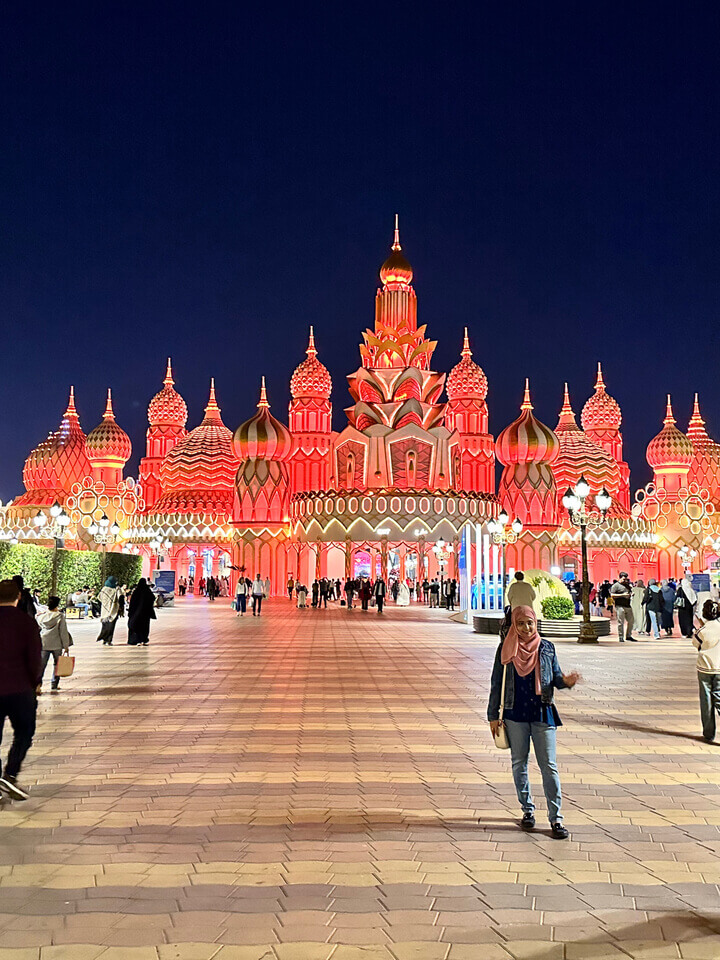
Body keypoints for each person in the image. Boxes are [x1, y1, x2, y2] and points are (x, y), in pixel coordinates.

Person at [487, 605, 580, 840]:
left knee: (548, 765)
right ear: (514, 625)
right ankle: (527, 810)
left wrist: (566, 682)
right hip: (514, 713)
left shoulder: (546, 647)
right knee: (519, 763)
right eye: (521, 624)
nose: (526, 628)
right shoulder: (506, 649)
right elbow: (496, 684)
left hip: (542, 712)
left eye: (530, 623)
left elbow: (556, 678)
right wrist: (492, 717)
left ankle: (556, 818)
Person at [0, 578, 41, 800]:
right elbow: (34, 658)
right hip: (19, 688)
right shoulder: (26, 622)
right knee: (24, 733)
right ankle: (11, 773)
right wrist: (34, 682)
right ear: (18, 597)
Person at [693, 599, 720, 742]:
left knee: (706, 700)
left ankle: (709, 734)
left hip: (705, 668)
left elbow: (695, 644)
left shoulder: (701, 631)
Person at [37, 597, 73, 693]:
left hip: (44, 643)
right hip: (56, 644)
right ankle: (54, 684)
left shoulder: (41, 617)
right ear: (57, 605)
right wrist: (66, 646)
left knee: (42, 665)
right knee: (57, 664)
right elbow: (63, 632)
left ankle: (38, 685)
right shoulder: (60, 616)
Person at [127, 579, 156, 645]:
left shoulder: (136, 591)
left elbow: (132, 603)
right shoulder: (147, 591)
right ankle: (143, 639)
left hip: (136, 613)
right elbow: (152, 598)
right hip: (145, 613)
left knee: (137, 626)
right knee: (145, 627)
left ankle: (136, 640)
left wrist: (131, 612)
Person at [96, 577, 122, 645]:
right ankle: (109, 640)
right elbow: (121, 597)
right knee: (111, 626)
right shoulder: (117, 589)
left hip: (104, 611)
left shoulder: (104, 589)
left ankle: (104, 639)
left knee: (105, 625)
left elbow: (99, 598)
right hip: (113, 610)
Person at [610, 574, 635, 642]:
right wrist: (622, 595)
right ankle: (621, 636)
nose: (625, 580)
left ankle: (628, 635)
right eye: (623, 579)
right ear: (620, 578)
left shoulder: (627, 585)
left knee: (631, 621)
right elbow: (612, 595)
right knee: (620, 622)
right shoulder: (615, 586)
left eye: (626, 579)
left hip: (627, 605)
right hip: (619, 605)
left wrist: (630, 594)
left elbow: (630, 592)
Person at [676, 574, 698, 639]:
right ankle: (690, 632)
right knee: (689, 620)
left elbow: (677, 597)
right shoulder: (691, 590)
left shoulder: (680, 589)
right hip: (689, 608)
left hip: (682, 607)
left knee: (682, 620)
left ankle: (684, 633)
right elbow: (694, 599)